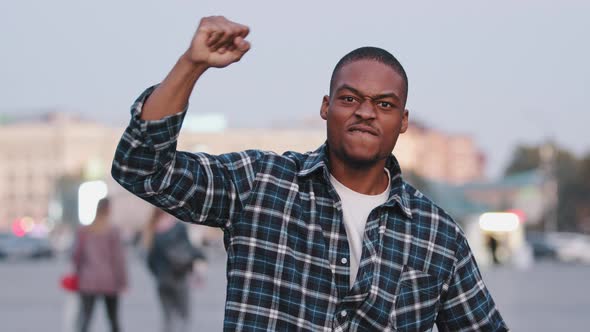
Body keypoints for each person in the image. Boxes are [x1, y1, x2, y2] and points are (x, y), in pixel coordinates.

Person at [112, 15, 508, 331]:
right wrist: (191, 65)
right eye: (350, 98)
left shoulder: (437, 235)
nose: (366, 112)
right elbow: (142, 168)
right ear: (325, 106)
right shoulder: (262, 184)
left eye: (384, 104)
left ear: (403, 120)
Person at [142, 208, 205, 332]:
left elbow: (149, 260)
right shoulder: (178, 227)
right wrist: (201, 257)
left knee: (167, 316)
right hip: (179, 277)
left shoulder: (152, 230)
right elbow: (189, 249)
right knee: (183, 315)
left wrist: (158, 273)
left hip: (162, 280)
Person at [72, 198, 127, 332]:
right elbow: (118, 259)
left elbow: (76, 256)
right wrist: (123, 281)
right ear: (109, 209)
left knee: (85, 319)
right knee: (113, 319)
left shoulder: (84, 231)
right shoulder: (113, 231)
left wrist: (79, 274)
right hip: (110, 279)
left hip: (88, 280)